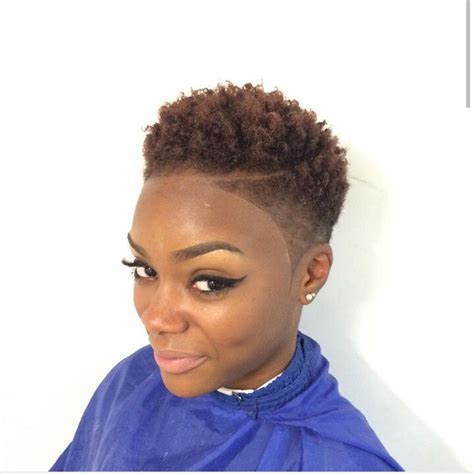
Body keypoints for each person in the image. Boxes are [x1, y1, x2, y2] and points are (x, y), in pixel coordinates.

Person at [49, 82, 404, 471]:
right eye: (146, 269)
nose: (157, 319)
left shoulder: (337, 463)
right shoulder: (133, 381)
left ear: (310, 275)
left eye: (209, 282)